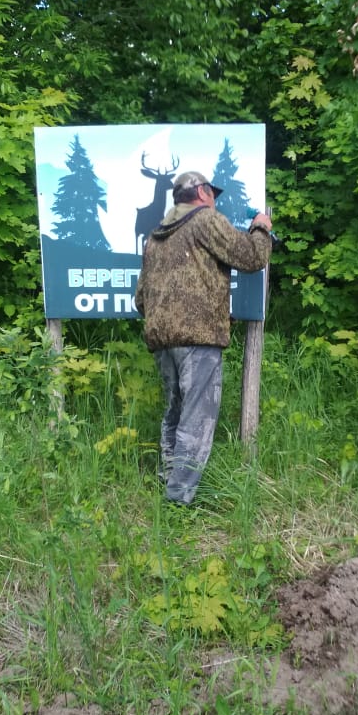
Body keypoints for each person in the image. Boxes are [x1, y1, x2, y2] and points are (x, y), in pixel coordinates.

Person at [135, 170, 273, 505]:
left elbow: (141, 300)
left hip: (162, 339)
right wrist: (261, 228)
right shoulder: (206, 220)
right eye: (211, 191)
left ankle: (169, 480)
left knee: (174, 414)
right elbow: (251, 258)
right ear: (200, 192)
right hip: (198, 340)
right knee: (196, 421)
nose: (214, 198)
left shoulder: (156, 237)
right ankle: (178, 499)